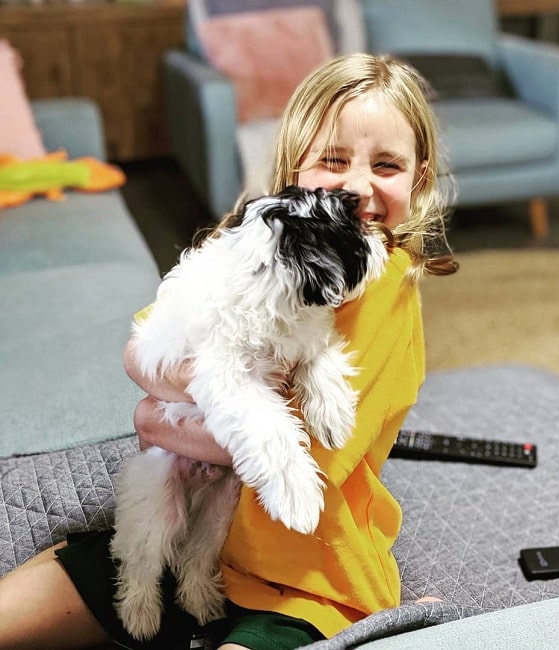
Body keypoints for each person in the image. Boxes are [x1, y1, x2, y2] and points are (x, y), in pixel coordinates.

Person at [0, 53, 457, 650]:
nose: (357, 187)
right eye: (334, 159)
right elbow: (143, 350)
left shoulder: (387, 289)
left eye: (387, 165)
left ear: (419, 178)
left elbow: (311, 455)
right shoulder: (254, 243)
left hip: (306, 575)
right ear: (297, 164)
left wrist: (158, 417)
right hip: (190, 532)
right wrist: (192, 390)